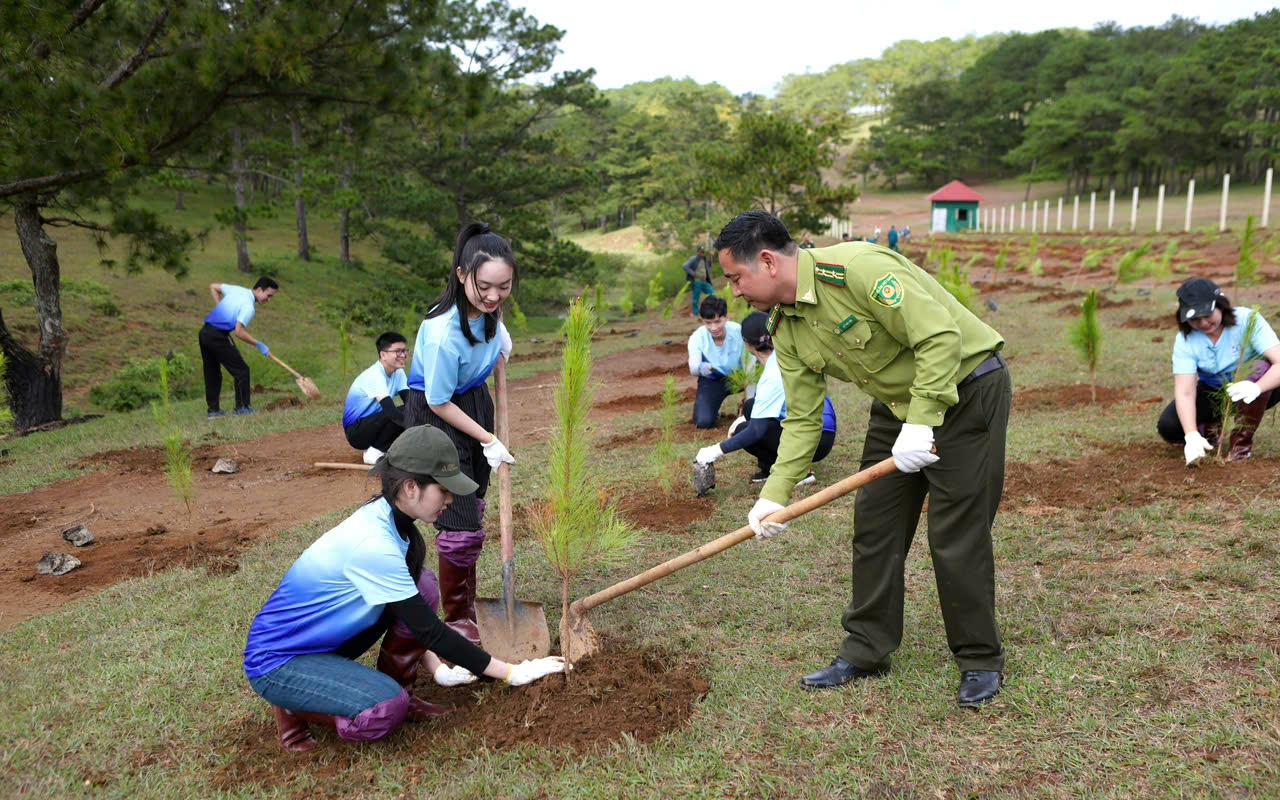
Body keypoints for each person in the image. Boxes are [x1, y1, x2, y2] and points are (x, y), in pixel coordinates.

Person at [715, 210, 1011, 708]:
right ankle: (867, 649)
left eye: (735, 278)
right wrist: (773, 494)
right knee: (875, 524)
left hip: (966, 390)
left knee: (954, 532)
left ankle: (979, 658)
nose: (735, 292)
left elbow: (940, 336)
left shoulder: (858, 269)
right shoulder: (785, 327)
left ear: (766, 262)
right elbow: (804, 419)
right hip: (898, 406)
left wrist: (923, 422)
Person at [244, 425, 566, 752]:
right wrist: (511, 672)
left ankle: (372, 690)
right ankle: (295, 705)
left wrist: (438, 669)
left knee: (423, 585)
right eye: (444, 490)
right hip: (277, 662)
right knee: (384, 710)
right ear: (412, 487)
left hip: (320, 646)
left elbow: (411, 618)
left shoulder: (395, 525)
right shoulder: (375, 545)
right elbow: (430, 632)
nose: (451, 499)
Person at [403, 222, 516, 646]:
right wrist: (488, 440)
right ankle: (458, 616)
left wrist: (499, 340)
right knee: (459, 515)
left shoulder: (489, 311)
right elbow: (436, 400)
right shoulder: (440, 331)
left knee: (475, 503)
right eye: (484, 287)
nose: (493, 296)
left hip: (473, 403)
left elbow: (489, 326)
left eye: (503, 287)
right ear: (461, 275)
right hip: (437, 417)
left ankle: (467, 600)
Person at [695, 310, 836, 485]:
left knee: (744, 430)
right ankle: (770, 467)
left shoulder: (771, 375)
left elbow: (757, 431)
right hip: (820, 429)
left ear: (747, 344)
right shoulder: (786, 353)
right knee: (750, 407)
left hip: (816, 439)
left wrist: (715, 450)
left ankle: (799, 472)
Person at [1156, 277, 1280, 463]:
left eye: (1207, 314)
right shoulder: (1185, 341)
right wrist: (1191, 434)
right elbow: (1186, 392)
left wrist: (1257, 388)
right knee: (1169, 426)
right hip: (1213, 391)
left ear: (1220, 304)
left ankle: (1241, 445)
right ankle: (1208, 433)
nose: (1203, 323)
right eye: (1194, 319)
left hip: (1259, 386)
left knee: (1259, 367)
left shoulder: (1248, 320)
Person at [199, 276, 278, 418]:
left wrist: (219, 306)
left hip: (204, 333)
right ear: (259, 290)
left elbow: (213, 286)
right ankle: (242, 408)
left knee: (212, 372)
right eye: (269, 295)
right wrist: (258, 344)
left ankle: (213, 411)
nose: (269, 300)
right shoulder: (248, 306)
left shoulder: (236, 290)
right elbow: (239, 332)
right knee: (241, 370)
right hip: (217, 336)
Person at [343, 332, 411, 465]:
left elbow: (411, 402)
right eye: (398, 351)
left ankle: (387, 448)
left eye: (404, 350)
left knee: (411, 410)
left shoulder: (398, 372)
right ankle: (375, 451)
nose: (403, 355)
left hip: (375, 423)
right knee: (398, 414)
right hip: (356, 431)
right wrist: (417, 429)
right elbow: (391, 412)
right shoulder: (374, 374)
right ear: (383, 354)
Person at [687, 295, 745, 428]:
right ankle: (713, 408)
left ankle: (745, 406)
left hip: (741, 377)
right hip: (714, 379)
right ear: (702, 321)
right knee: (704, 421)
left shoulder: (739, 332)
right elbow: (693, 368)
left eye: (718, 321)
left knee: (757, 413)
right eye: (708, 323)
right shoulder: (697, 337)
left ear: (726, 317)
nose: (713, 328)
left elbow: (751, 366)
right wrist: (701, 367)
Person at [683, 246, 715, 316]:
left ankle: (711, 309)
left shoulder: (704, 259)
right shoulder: (694, 259)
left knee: (712, 293)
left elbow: (709, 265)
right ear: (698, 252)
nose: (703, 253)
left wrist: (711, 256)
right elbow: (685, 266)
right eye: (701, 252)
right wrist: (693, 274)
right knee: (696, 298)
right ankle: (695, 313)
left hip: (704, 281)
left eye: (703, 252)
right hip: (696, 281)